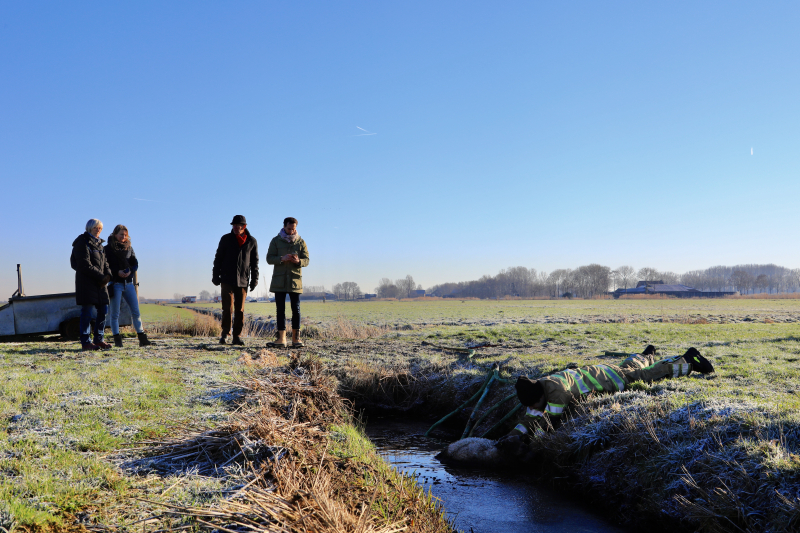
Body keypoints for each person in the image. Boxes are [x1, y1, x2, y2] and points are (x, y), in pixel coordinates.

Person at [498, 345, 714, 446]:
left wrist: (531, 443)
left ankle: (688, 361)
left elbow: (551, 424)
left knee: (645, 376)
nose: (533, 407)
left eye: (534, 404)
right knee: (630, 368)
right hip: (601, 371)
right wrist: (513, 435)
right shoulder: (542, 385)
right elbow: (532, 416)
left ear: (540, 396)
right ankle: (647, 354)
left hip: (609, 380)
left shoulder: (557, 393)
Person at [212, 215, 259, 345]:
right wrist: (215, 275)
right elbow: (218, 258)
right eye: (234, 226)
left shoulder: (252, 241)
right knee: (227, 308)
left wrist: (254, 279)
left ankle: (237, 336)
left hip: (243, 280)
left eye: (238, 226)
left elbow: (254, 263)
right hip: (226, 279)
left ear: (244, 227)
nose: (235, 228)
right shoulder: (225, 239)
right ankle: (225, 334)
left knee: (240, 310)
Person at [105, 225, 152, 348]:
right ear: (115, 234)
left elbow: (135, 263)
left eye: (125, 235)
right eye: (121, 234)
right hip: (115, 284)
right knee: (115, 314)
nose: (123, 237)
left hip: (129, 284)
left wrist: (130, 271)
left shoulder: (129, 247)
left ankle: (142, 339)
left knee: (136, 312)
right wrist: (117, 272)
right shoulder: (107, 249)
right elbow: (105, 266)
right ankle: (117, 341)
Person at [266, 217, 309, 348]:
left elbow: (306, 260)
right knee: (280, 310)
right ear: (284, 227)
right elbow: (269, 258)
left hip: (295, 281)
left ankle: (296, 339)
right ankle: (281, 339)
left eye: (293, 229)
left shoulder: (301, 242)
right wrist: (281, 258)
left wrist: (299, 261)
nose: (291, 231)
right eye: (289, 229)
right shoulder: (275, 241)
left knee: (296, 309)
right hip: (279, 281)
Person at [71, 219, 112, 351]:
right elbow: (83, 264)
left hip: (101, 284)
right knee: (87, 313)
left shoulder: (100, 245)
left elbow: (105, 263)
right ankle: (86, 342)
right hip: (87, 283)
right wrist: (101, 276)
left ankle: (99, 340)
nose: (98, 230)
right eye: (95, 227)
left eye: (100, 228)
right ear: (89, 228)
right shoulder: (82, 242)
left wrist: (108, 275)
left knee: (103, 311)